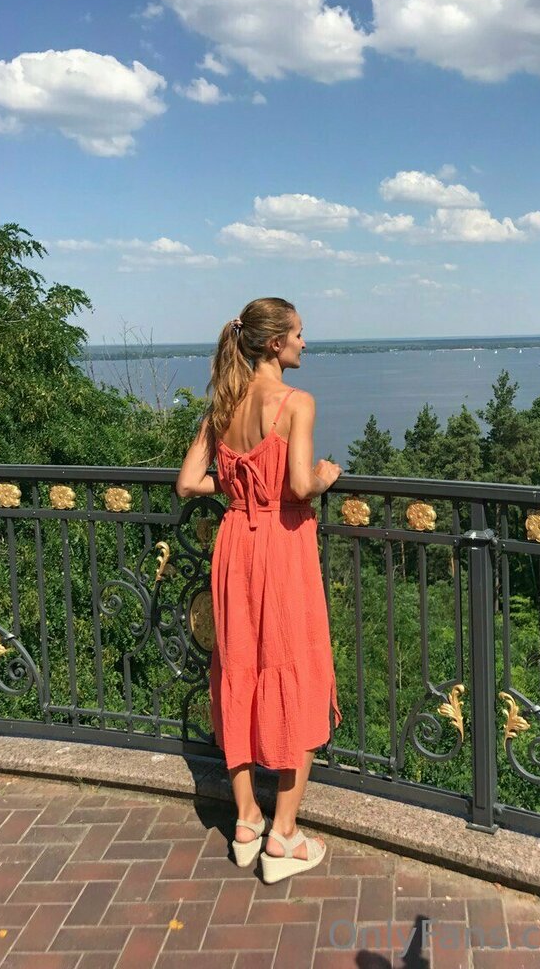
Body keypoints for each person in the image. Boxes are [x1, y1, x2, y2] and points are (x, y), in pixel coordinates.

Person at [176, 297, 343, 883]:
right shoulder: (297, 403)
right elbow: (298, 484)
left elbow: (187, 482)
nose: (304, 342)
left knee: (239, 670)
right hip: (282, 547)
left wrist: (236, 486)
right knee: (298, 673)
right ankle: (283, 837)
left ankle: (246, 821)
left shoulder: (223, 406)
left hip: (235, 548)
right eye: (298, 333)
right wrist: (325, 476)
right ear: (275, 343)